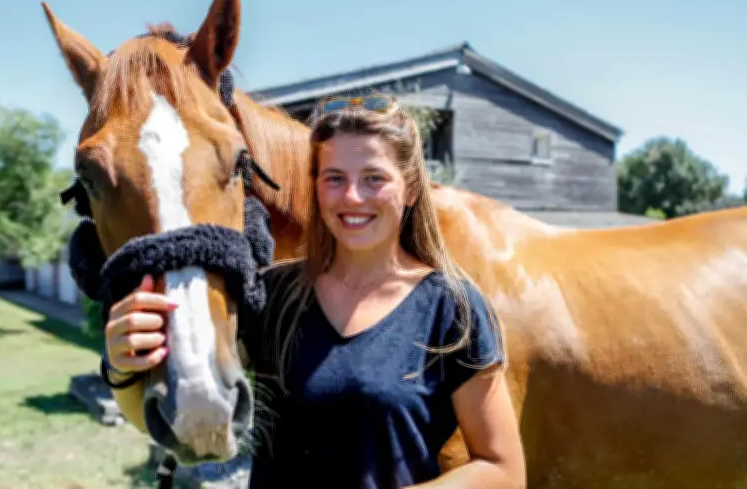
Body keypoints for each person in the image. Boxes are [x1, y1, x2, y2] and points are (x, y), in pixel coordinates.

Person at [102, 94, 527, 489]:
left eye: (374, 178)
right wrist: (123, 368)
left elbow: (503, 470)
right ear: (315, 187)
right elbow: (181, 415)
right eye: (335, 178)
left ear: (411, 188)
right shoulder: (271, 294)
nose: (353, 196)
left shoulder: (451, 306)